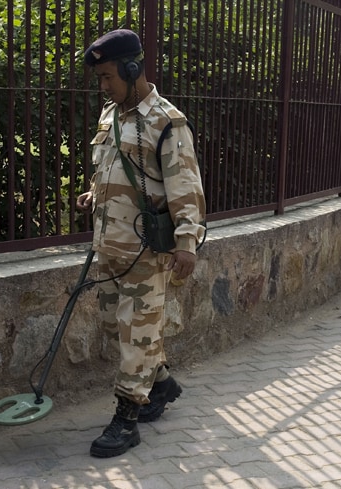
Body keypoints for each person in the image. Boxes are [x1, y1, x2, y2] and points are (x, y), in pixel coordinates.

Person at [76, 29, 206, 457]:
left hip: (148, 251)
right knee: (120, 327)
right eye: (99, 78)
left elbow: (185, 186)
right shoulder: (111, 115)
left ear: (133, 69)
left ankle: (127, 418)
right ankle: (162, 383)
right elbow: (114, 169)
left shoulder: (167, 121)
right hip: (110, 244)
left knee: (136, 335)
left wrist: (187, 242)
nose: (103, 86)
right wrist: (95, 193)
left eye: (109, 76)